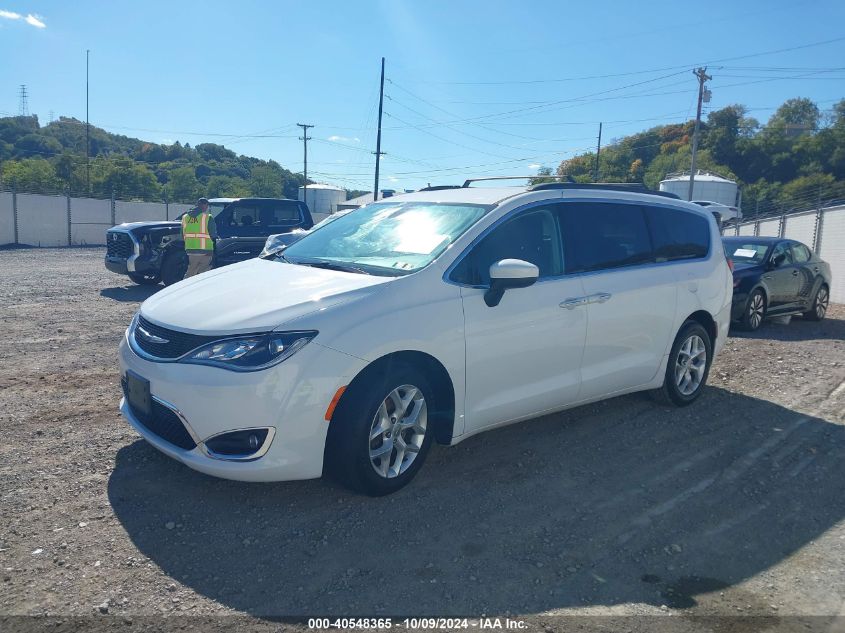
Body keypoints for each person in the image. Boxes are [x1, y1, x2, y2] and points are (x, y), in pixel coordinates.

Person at [182, 197, 217, 278]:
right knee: (204, 274)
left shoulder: (185, 217)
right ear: (205, 205)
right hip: (206, 250)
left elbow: (182, 233)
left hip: (190, 249)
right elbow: (213, 234)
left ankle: (184, 288)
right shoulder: (208, 217)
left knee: (191, 272)